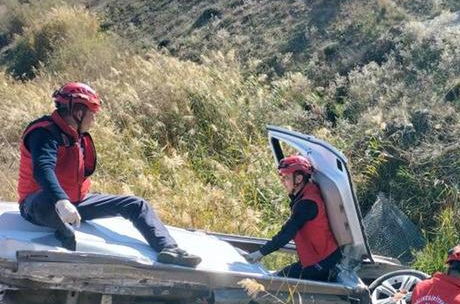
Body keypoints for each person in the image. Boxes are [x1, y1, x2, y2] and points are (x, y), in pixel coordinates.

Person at [17, 82, 201, 267]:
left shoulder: (76, 134)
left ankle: (169, 248)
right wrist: (61, 201)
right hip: (39, 204)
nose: (94, 121)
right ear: (79, 113)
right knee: (46, 202)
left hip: (74, 204)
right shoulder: (43, 133)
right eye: (92, 115)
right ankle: (65, 234)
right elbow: (42, 168)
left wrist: (68, 203)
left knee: (136, 205)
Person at [243, 155, 341, 281]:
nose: (283, 181)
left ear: (299, 178)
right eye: (282, 177)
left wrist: (260, 253)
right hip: (321, 257)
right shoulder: (308, 191)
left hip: (323, 262)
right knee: (279, 277)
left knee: (277, 282)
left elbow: (287, 233)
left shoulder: (307, 203)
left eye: (286, 177)